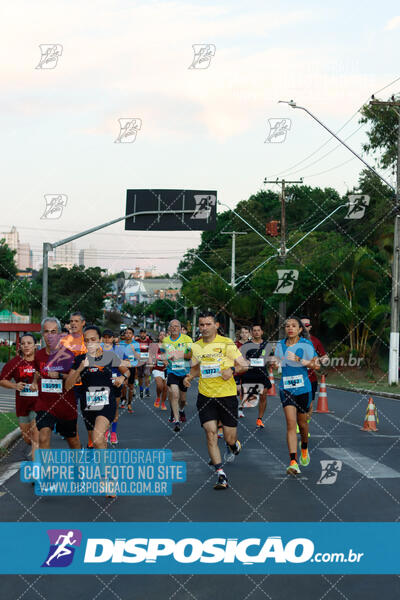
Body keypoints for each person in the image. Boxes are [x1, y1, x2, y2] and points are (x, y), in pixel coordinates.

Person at [183, 312, 248, 490]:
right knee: (211, 433)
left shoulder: (226, 343)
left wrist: (232, 370)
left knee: (229, 437)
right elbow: (197, 369)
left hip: (227, 396)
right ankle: (221, 474)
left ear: (216, 325)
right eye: (201, 325)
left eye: (207, 324)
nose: (204, 328)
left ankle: (234, 445)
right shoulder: (195, 346)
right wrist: (189, 377)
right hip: (205, 396)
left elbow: (244, 364)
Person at [65, 325, 129, 450]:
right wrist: (80, 369)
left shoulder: (109, 356)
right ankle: (105, 469)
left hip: (106, 404)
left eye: (93, 339)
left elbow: (127, 372)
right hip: (88, 406)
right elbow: (68, 386)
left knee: (97, 439)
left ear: (99, 340)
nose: (90, 343)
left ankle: (104, 469)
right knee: (96, 443)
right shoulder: (79, 360)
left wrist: (122, 378)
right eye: (87, 340)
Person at [272, 316, 320, 475]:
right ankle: (293, 462)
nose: (290, 328)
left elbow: (316, 365)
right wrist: (274, 362)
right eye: (287, 326)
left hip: (303, 389)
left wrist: (300, 359)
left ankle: (304, 447)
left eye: (294, 326)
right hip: (286, 388)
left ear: (300, 329)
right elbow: (277, 361)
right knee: (291, 424)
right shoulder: (280, 345)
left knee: (303, 424)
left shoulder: (306, 344)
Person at [34, 317, 81, 453]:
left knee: (72, 440)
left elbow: (75, 380)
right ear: (43, 334)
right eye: (47, 331)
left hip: (65, 405)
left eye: (53, 331)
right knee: (43, 437)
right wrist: (33, 382)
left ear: (60, 334)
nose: (50, 335)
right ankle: (46, 473)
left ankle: (79, 467)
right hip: (45, 404)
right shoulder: (38, 355)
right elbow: (37, 372)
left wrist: (60, 375)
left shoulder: (69, 355)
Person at [0, 333, 39, 459]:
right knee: (28, 438)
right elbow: (2, 380)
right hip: (22, 405)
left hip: (39, 405)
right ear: (20, 346)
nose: (26, 346)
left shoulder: (41, 360)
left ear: (35, 345)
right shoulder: (15, 362)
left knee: (35, 437)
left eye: (29, 343)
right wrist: (15, 386)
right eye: (23, 343)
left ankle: (37, 471)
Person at [162, 320, 192, 432]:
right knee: (174, 394)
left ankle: (181, 409)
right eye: (172, 326)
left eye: (176, 326)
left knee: (183, 399)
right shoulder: (165, 340)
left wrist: (179, 354)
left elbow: (190, 355)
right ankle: (176, 420)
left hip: (184, 372)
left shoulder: (187, 339)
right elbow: (163, 354)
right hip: (172, 371)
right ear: (169, 328)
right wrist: (165, 359)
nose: (174, 328)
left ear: (180, 328)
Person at [101, 329, 131, 444]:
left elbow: (128, 363)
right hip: (103, 382)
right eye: (105, 337)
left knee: (114, 409)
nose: (107, 339)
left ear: (113, 338)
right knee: (103, 409)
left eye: (109, 337)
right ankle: (106, 431)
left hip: (116, 382)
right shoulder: (99, 349)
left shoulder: (118, 349)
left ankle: (113, 433)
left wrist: (119, 362)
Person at [240, 325, 272, 428]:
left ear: (262, 332)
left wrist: (271, 361)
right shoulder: (246, 345)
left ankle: (259, 419)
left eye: (258, 330)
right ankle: (240, 408)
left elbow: (271, 358)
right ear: (251, 333)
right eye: (254, 331)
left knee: (263, 396)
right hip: (249, 374)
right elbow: (240, 359)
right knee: (247, 397)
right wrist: (245, 362)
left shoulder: (267, 345)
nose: (256, 332)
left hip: (262, 374)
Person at [300, 317, 329, 422]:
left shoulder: (315, 341)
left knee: (309, 404)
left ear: (310, 327)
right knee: (296, 404)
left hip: (311, 379)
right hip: (296, 378)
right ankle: (299, 423)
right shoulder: (292, 341)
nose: (304, 327)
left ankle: (304, 425)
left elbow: (325, 357)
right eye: (301, 325)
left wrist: (321, 360)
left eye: (306, 325)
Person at [119, 327, 140, 412]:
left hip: (131, 367)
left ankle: (129, 403)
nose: (128, 334)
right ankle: (123, 399)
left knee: (131, 387)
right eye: (126, 333)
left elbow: (138, 357)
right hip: (123, 367)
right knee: (124, 384)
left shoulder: (136, 344)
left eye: (130, 333)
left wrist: (133, 350)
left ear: (132, 335)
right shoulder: (120, 344)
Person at [149, 330, 168, 410]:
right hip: (157, 368)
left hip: (166, 369)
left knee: (165, 388)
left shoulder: (169, 346)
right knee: (160, 386)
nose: (162, 336)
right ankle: (158, 397)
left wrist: (168, 363)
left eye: (164, 335)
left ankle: (163, 403)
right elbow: (150, 356)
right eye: (161, 335)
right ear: (158, 337)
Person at [135, 329, 153, 398]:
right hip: (139, 361)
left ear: (146, 334)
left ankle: (147, 389)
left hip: (147, 361)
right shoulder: (136, 342)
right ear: (140, 334)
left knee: (147, 375)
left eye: (144, 333)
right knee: (140, 376)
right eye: (141, 333)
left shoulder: (149, 342)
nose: (143, 334)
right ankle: (141, 389)